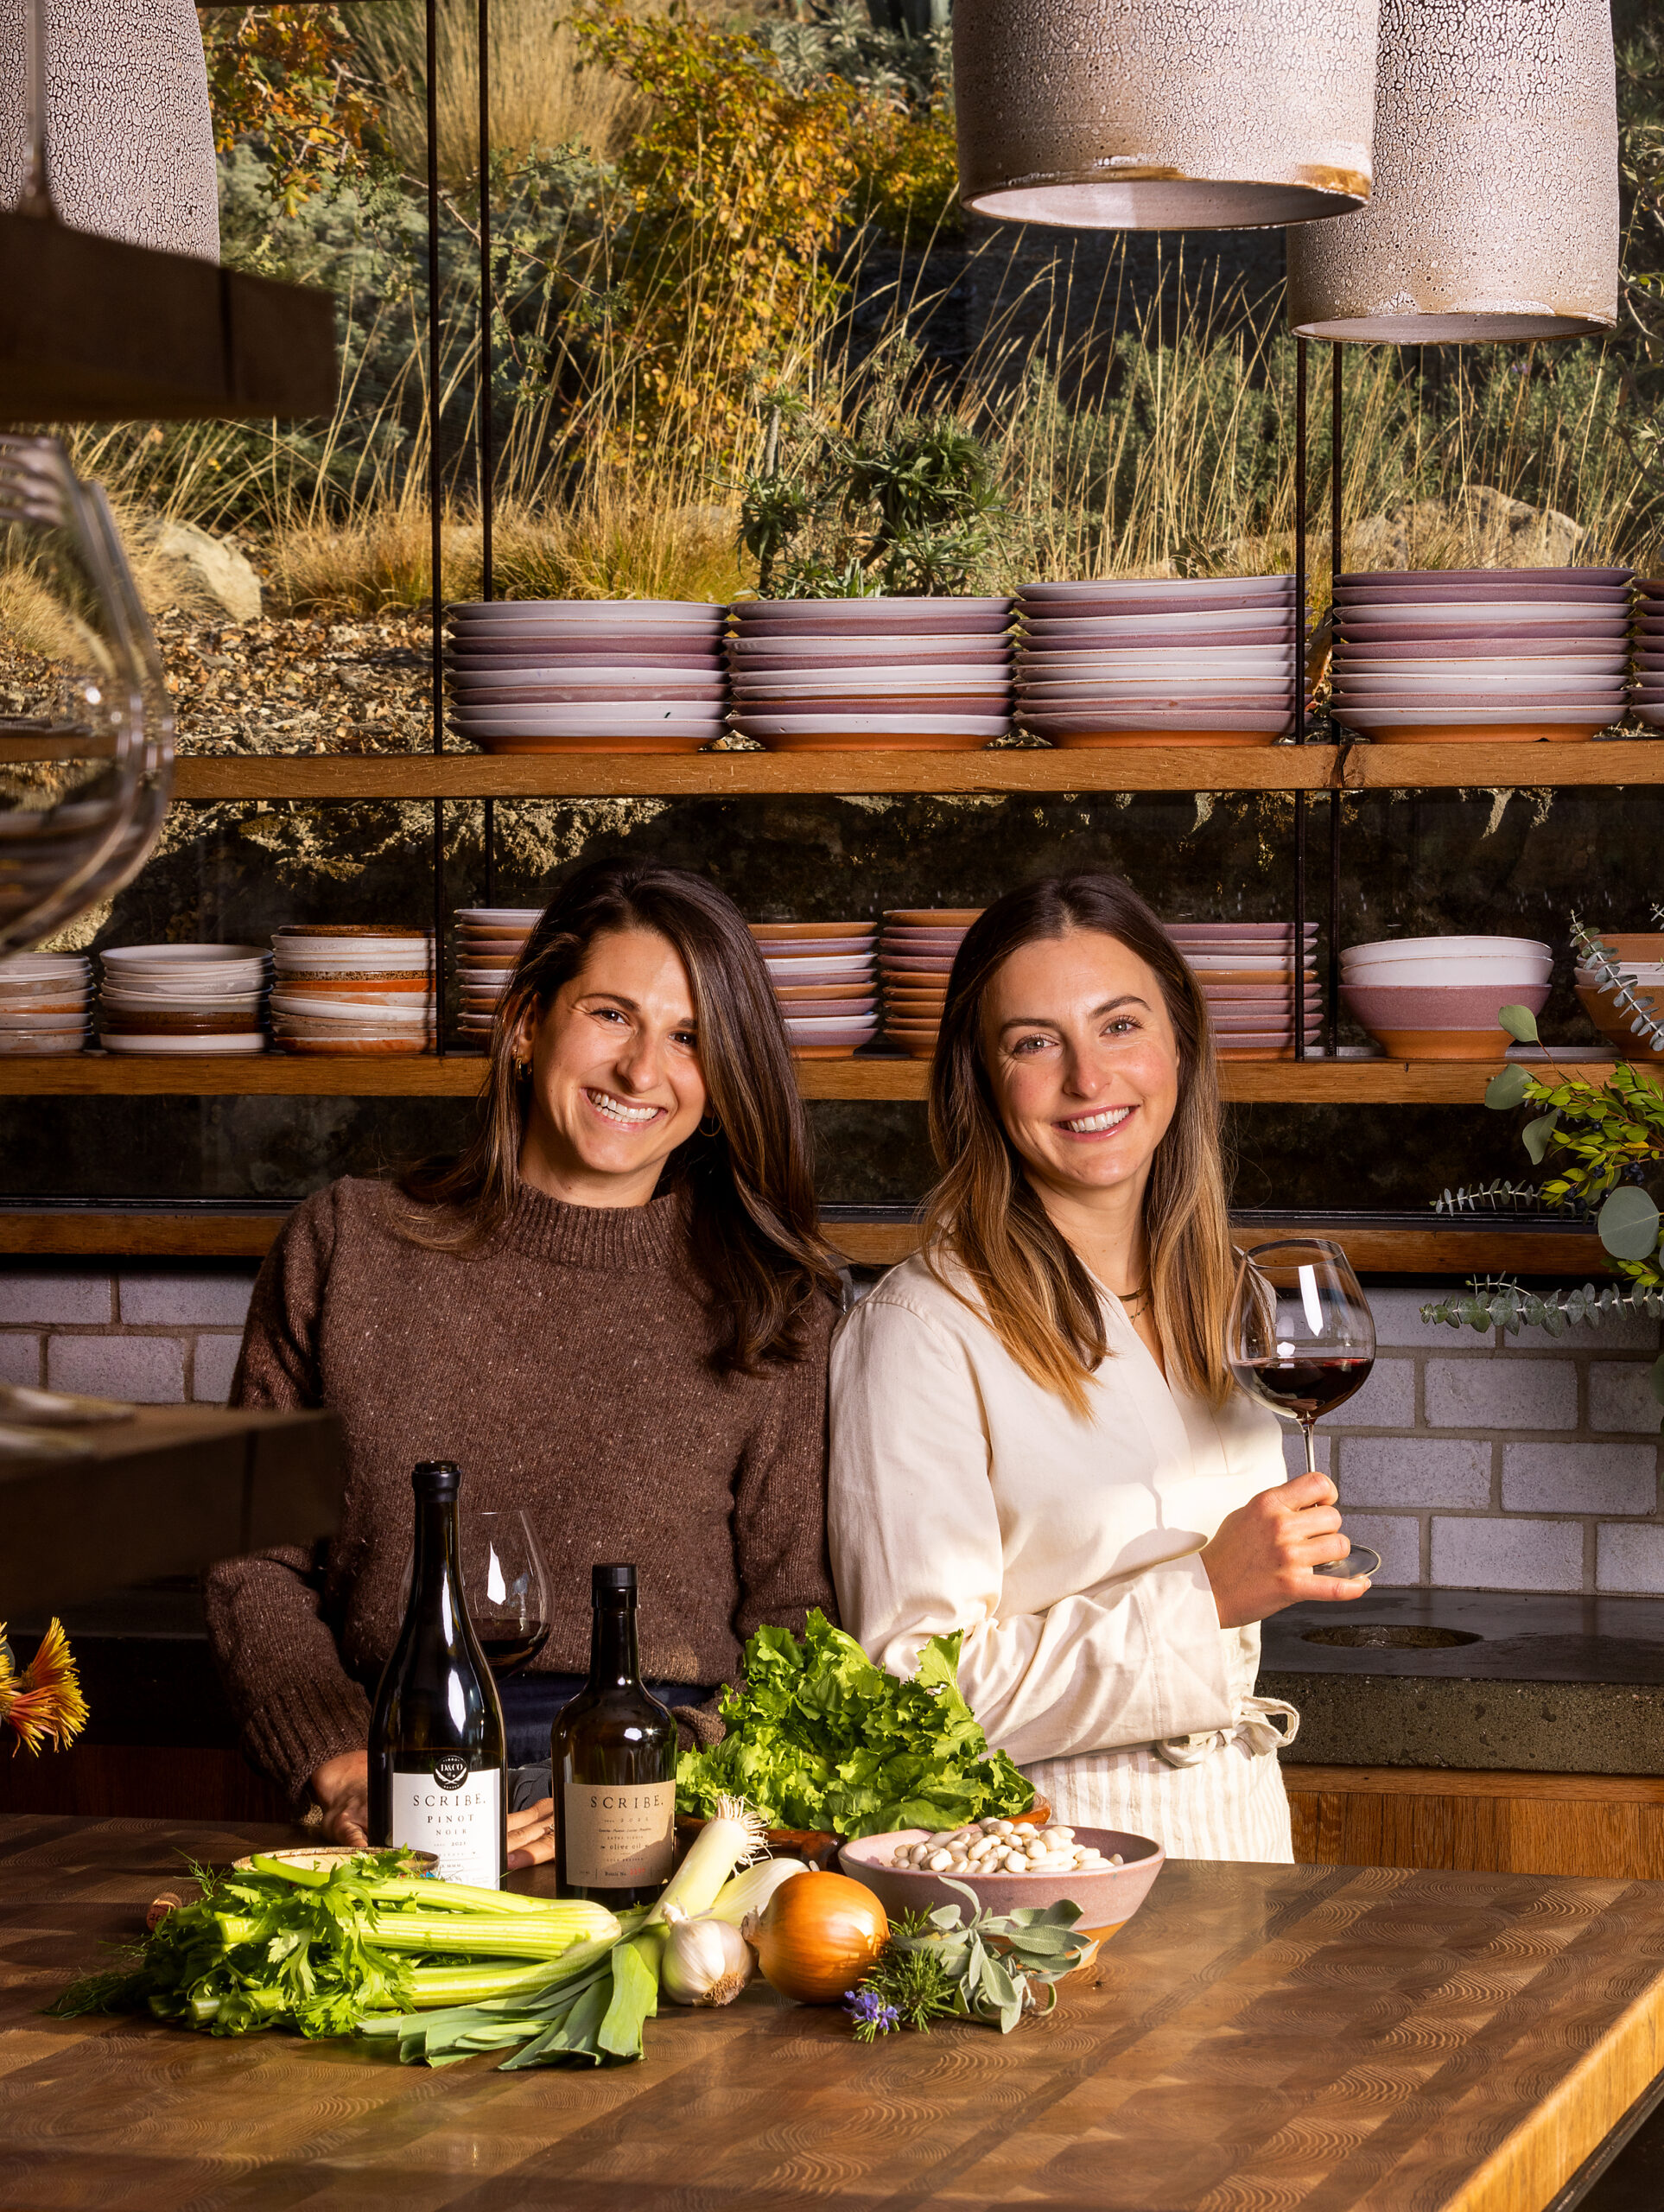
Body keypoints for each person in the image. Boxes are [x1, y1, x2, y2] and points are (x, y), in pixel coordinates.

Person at [206, 859, 841, 1867]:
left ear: (722, 1088)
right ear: (524, 1024)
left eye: (690, 1039)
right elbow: (251, 1554)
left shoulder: (775, 1305)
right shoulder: (350, 1243)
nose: (643, 1071)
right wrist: (334, 1753)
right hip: (392, 1765)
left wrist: (674, 1782)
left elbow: (796, 1619)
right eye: (610, 1015)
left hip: (655, 1792)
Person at [828, 874, 1368, 1862]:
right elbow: (907, 1696)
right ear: (982, 1080)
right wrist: (1202, 1596)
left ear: (1180, 1045)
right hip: (1046, 1872)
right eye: (1035, 1042)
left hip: (1243, 1848)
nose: (1088, 1077)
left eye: (1120, 1025)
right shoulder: (922, 1328)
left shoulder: (1226, 1299)